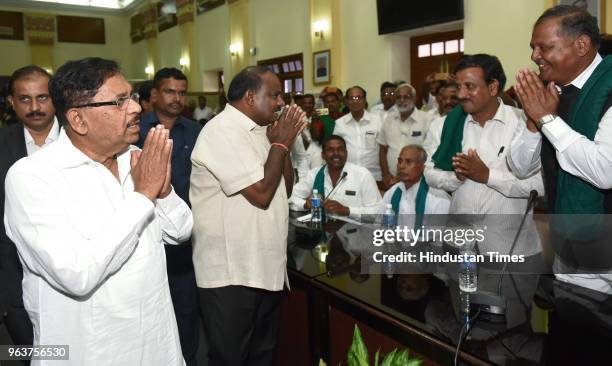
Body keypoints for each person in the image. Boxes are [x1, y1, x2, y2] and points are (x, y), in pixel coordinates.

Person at [4, 57, 192, 365]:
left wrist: (164, 190)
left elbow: (180, 231)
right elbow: (76, 274)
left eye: (131, 97)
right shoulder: (33, 176)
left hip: (158, 345)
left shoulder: (135, 157)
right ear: (78, 120)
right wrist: (144, 195)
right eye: (120, 101)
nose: (135, 108)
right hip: (91, 351)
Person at [190, 66, 306, 366]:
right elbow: (261, 194)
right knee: (232, 360)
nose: (281, 102)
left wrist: (283, 144)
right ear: (251, 97)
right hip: (232, 274)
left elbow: (286, 188)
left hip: (264, 268)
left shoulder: (261, 130)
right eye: (275, 95)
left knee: (262, 357)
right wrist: (280, 143)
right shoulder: (222, 131)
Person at [511, 5, 612, 293]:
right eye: (532, 48)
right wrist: (534, 121)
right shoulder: (548, 92)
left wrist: (548, 120)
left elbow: (605, 171)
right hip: (569, 253)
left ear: (581, 45)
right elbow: (520, 167)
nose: (534, 56)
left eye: (544, 47)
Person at [423, 53, 544, 260]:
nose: (461, 94)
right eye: (458, 87)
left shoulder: (526, 124)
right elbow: (429, 173)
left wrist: (487, 175)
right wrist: (455, 178)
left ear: (493, 87)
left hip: (509, 250)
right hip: (458, 245)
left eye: (469, 86)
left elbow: (540, 186)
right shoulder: (445, 125)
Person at [139, 67, 202, 366]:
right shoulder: (134, 129)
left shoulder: (195, 131)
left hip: (186, 239)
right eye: (169, 91)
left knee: (187, 311)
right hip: (144, 235)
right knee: (148, 315)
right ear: (153, 94)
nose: (177, 98)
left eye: (181, 92)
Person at [0, 65, 59, 356]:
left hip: (78, 281)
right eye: (25, 99)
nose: (35, 107)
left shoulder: (82, 140)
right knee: (29, 355)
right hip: (15, 283)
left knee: (74, 356)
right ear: (11, 102)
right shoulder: (2, 145)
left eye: (43, 98)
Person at [290, 135, 381, 221]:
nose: (336, 153)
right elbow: (290, 197)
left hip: (356, 233)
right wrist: (305, 204)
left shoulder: (362, 175)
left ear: (346, 153)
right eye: (330, 150)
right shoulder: (315, 174)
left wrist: (347, 210)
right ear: (323, 155)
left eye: (340, 149)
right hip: (324, 232)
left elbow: (378, 214)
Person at [380, 145, 450, 228]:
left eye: (408, 162)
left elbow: (438, 236)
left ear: (422, 167)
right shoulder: (392, 192)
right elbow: (381, 224)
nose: (401, 166)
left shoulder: (438, 197)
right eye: (400, 161)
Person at [378, 83, 432, 189]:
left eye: (406, 97)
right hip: (392, 180)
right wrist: (385, 175)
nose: (402, 100)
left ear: (414, 98)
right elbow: (382, 149)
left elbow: (429, 152)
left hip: (418, 180)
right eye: (398, 97)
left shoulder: (426, 120)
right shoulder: (389, 119)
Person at [333, 86, 383, 182]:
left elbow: (384, 148)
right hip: (348, 175)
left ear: (364, 101)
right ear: (346, 102)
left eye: (358, 98)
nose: (355, 101)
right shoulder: (340, 123)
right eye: (352, 98)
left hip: (374, 175)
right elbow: (336, 149)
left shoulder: (377, 121)